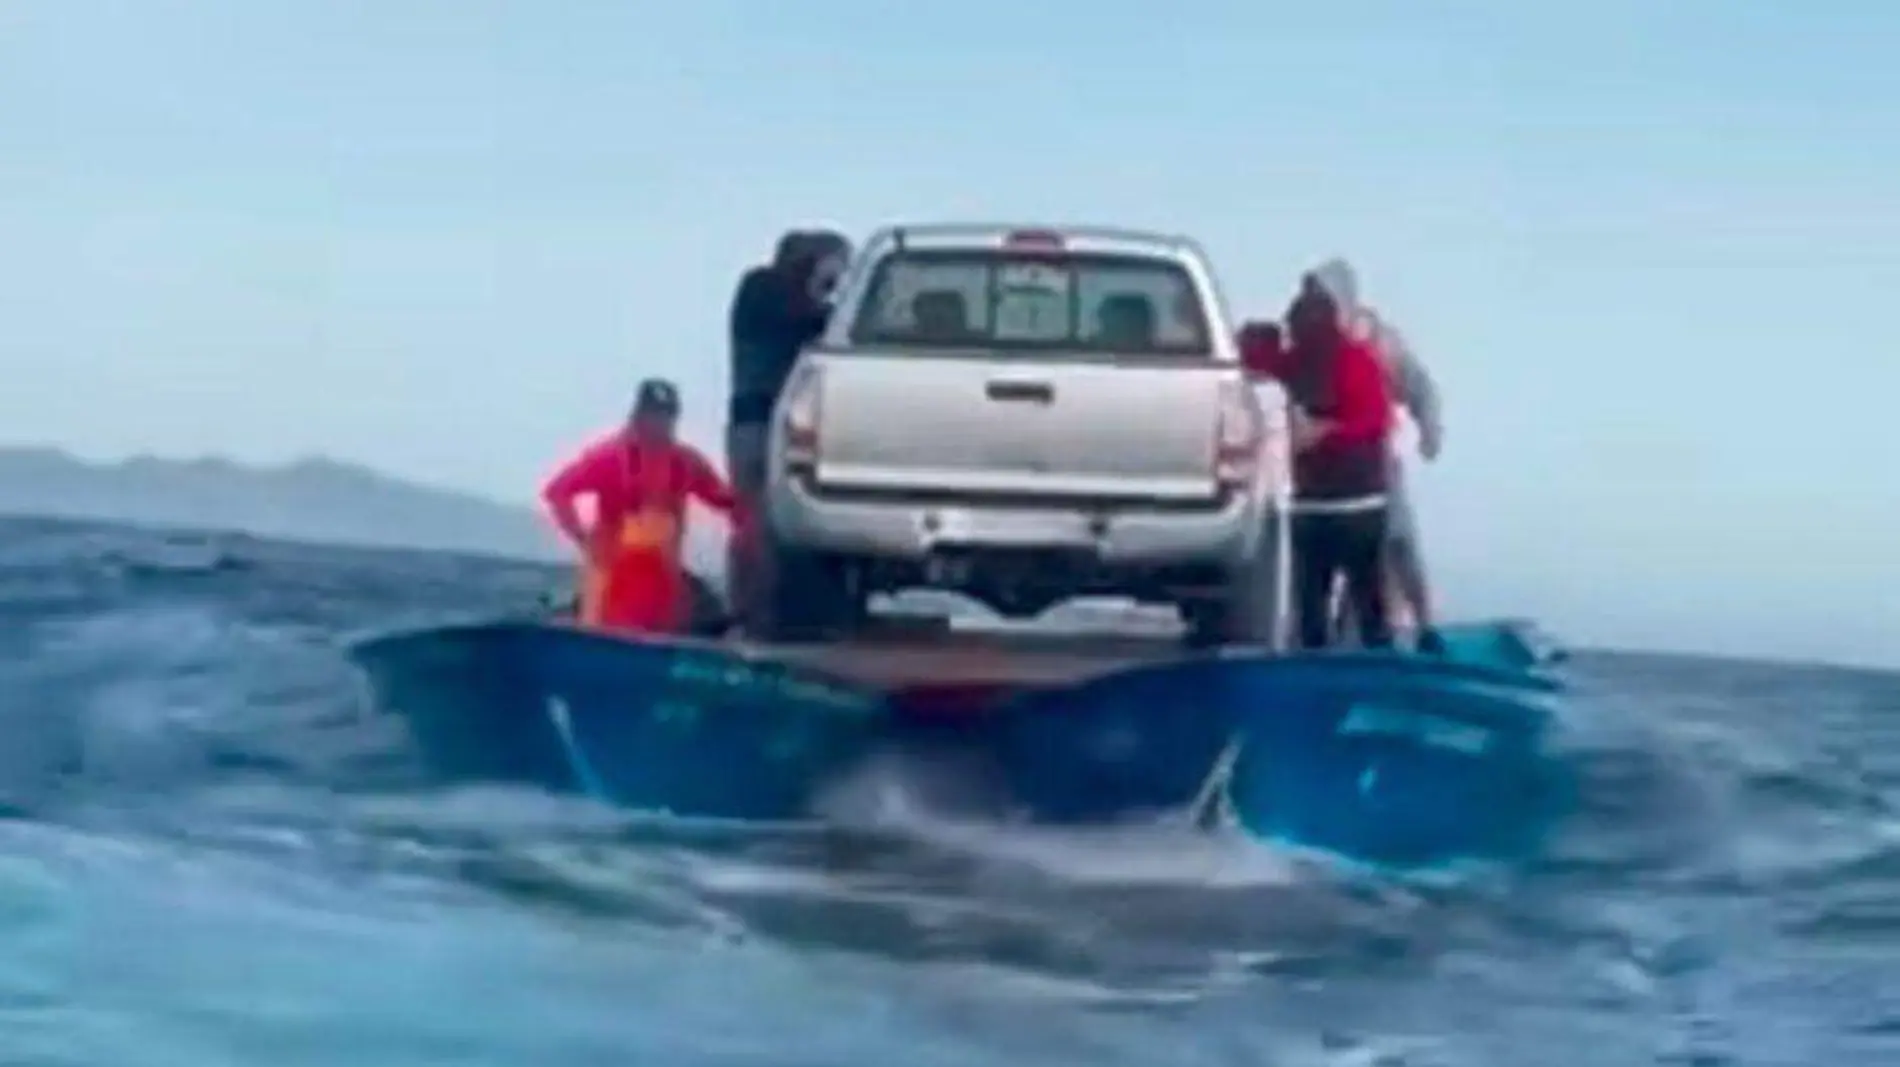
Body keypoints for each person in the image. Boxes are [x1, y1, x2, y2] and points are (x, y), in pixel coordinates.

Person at [1310, 260, 1446, 651]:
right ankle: (1336, 638)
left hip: (1374, 465)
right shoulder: (1310, 343)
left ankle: (1425, 628)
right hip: (1322, 469)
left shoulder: (1380, 343)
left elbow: (1421, 389)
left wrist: (1430, 430)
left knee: (1398, 542)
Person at [543, 379, 743, 636]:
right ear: (639, 415)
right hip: (613, 586)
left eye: (668, 415)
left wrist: (748, 511)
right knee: (608, 638)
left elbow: (724, 500)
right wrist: (582, 539)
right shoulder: (609, 456)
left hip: (664, 586)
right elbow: (557, 492)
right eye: (655, 415)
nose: (662, 423)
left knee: (669, 634)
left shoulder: (686, 462)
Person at [724, 229, 850, 625]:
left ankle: (768, 612)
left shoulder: (782, 298)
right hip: (758, 423)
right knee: (755, 523)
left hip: (773, 424)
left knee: (770, 526)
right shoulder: (760, 287)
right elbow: (807, 318)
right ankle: (750, 612)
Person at [1280, 276, 1397, 650]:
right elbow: (1376, 420)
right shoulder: (1354, 359)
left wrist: (1322, 433)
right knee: (1366, 603)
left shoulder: (1300, 363)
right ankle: (1378, 670)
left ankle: (1319, 669)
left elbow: (1374, 420)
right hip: (1352, 506)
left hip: (1331, 506)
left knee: (1317, 603)